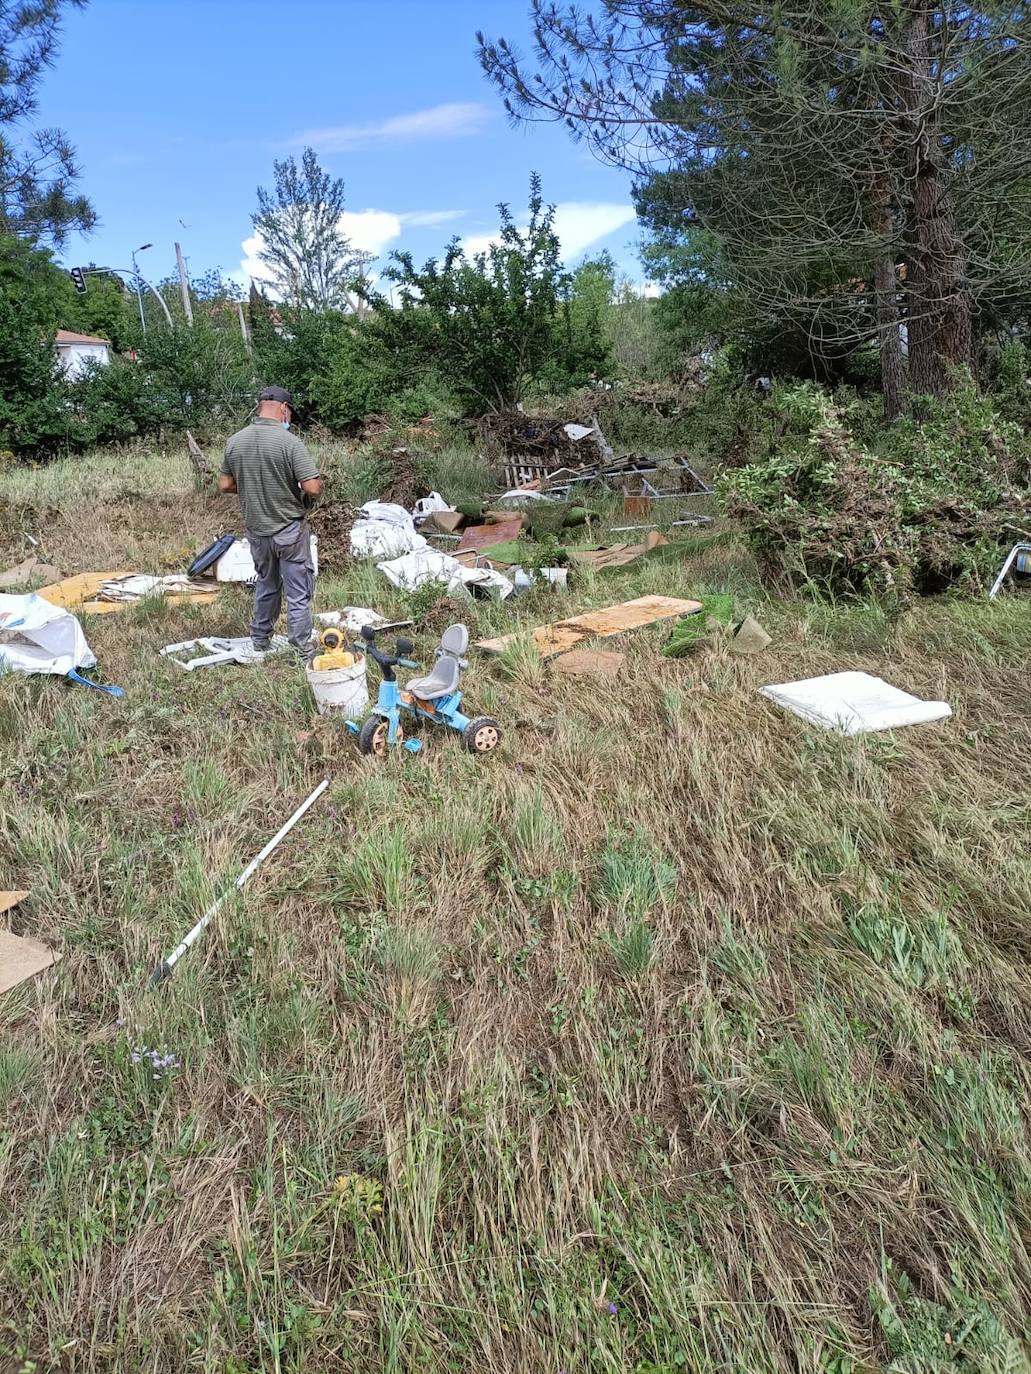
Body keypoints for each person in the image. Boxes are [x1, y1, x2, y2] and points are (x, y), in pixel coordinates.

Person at [219, 386, 322, 658]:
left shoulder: (235, 441)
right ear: (284, 408)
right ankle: (301, 649)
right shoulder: (289, 442)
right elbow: (312, 487)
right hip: (289, 529)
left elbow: (225, 484)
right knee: (297, 592)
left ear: (260, 406)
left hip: (257, 531)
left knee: (266, 584)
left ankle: (260, 640)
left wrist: (253, 487)